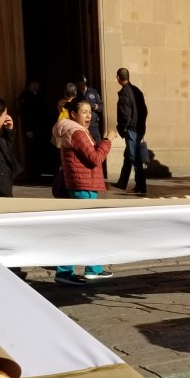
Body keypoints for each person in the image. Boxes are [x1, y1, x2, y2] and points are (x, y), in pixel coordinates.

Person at [51, 97, 117, 285]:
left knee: (87, 230)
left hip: (81, 184)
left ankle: (93, 268)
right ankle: (66, 272)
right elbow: (95, 158)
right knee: (80, 231)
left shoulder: (74, 130)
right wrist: (108, 140)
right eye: (84, 112)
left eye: (90, 112)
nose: (88, 116)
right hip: (83, 186)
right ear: (73, 114)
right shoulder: (77, 132)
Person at [114, 67, 148, 194]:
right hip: (138, 128)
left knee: (134, 158)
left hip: (132, 129)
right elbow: (144, 111)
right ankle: (122, 182)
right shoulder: (137, 90)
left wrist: (124, 128)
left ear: (118, 78)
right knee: (128, 155)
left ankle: (141, 186)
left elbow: (125, 115)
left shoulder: (125, 93)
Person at [17, 79, 48, 181]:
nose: (38, 86)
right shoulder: (25, 96)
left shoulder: (38, 95)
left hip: (39, 127)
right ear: (31, 84)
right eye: (36, 84)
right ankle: (31, 173)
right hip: (31, 128)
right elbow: (26, 114)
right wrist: (28, 129)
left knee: (38, 150)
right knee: (31, 150)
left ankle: (38, 171)